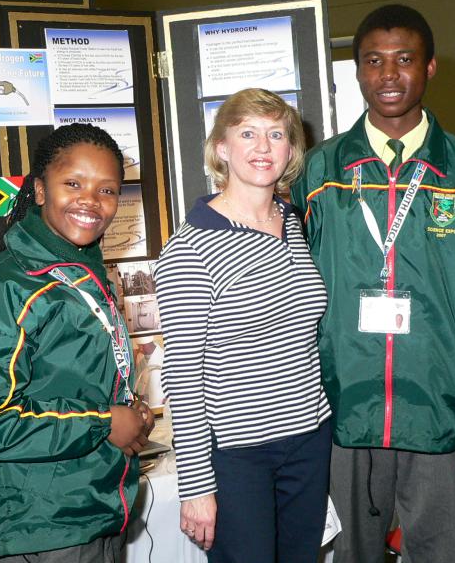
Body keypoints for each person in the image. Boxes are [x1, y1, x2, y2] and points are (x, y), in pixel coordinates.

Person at [290, 5, 455, 562]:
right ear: (357, 71)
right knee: (348, 554)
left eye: (404, 59)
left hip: (437, 408)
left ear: (430, 66)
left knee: (440, 554)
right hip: (340, 408)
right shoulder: (318, 173)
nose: (388, 74)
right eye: (374, 61)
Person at [0, 123, 154, 562]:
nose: (90, 200)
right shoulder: (7, 287)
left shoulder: (82, 273)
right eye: (73, 183)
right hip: (40, 526)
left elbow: (70, 381)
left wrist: (130, 413)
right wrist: (104, 422)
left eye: (107, 190)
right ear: (39, 190)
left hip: (91, 505)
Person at [155, 88, 332, 563]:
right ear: (221, 147)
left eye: (276, 134)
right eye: (248, 133)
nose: (263, 147)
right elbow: (183, 376)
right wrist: (196, 487)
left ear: (291, 150)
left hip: (309, 439)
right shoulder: (190, 249)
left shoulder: (293, 221)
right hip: (238, 454)